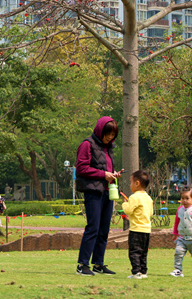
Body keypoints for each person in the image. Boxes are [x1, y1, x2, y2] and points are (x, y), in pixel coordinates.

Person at [75, 116, 122, 276]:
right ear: (100, 130)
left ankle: (98, 264)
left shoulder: (108, 148)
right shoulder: (87, 144)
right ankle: (82, 265)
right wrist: (103, 174)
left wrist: (113, 175)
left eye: (113, 135)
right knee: (93, 228)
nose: (110, 137)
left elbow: (105, 169)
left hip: (108, 192)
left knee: (104, 230)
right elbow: (81, 168)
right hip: (93, 192)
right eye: (108, 134)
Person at [121, 170, 153, 280]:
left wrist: (125, 203)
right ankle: (143, 271)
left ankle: (136, 272)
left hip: (136, 230)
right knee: (143, 252)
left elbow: (128, 210)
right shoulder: (148, 198)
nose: (130, 185)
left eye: (131, 182)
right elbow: (150, 213)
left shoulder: (134, 197)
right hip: (147, 230)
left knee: (134, 252)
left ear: (137, 183)